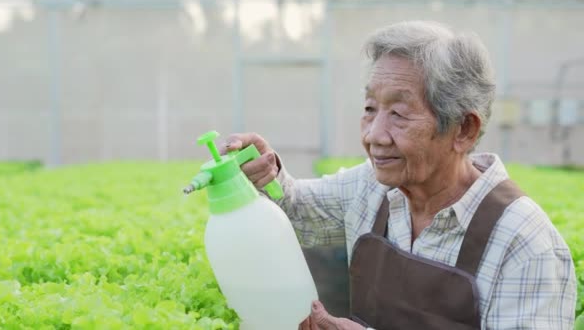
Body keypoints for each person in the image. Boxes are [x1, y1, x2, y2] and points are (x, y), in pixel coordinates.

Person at [222, 21, 577, 329]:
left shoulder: (525, 242)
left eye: (399, 113)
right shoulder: (370, 187)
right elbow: (299, 213)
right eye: (370, 108)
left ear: (464, 130)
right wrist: (265, 171)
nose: (374, 134)